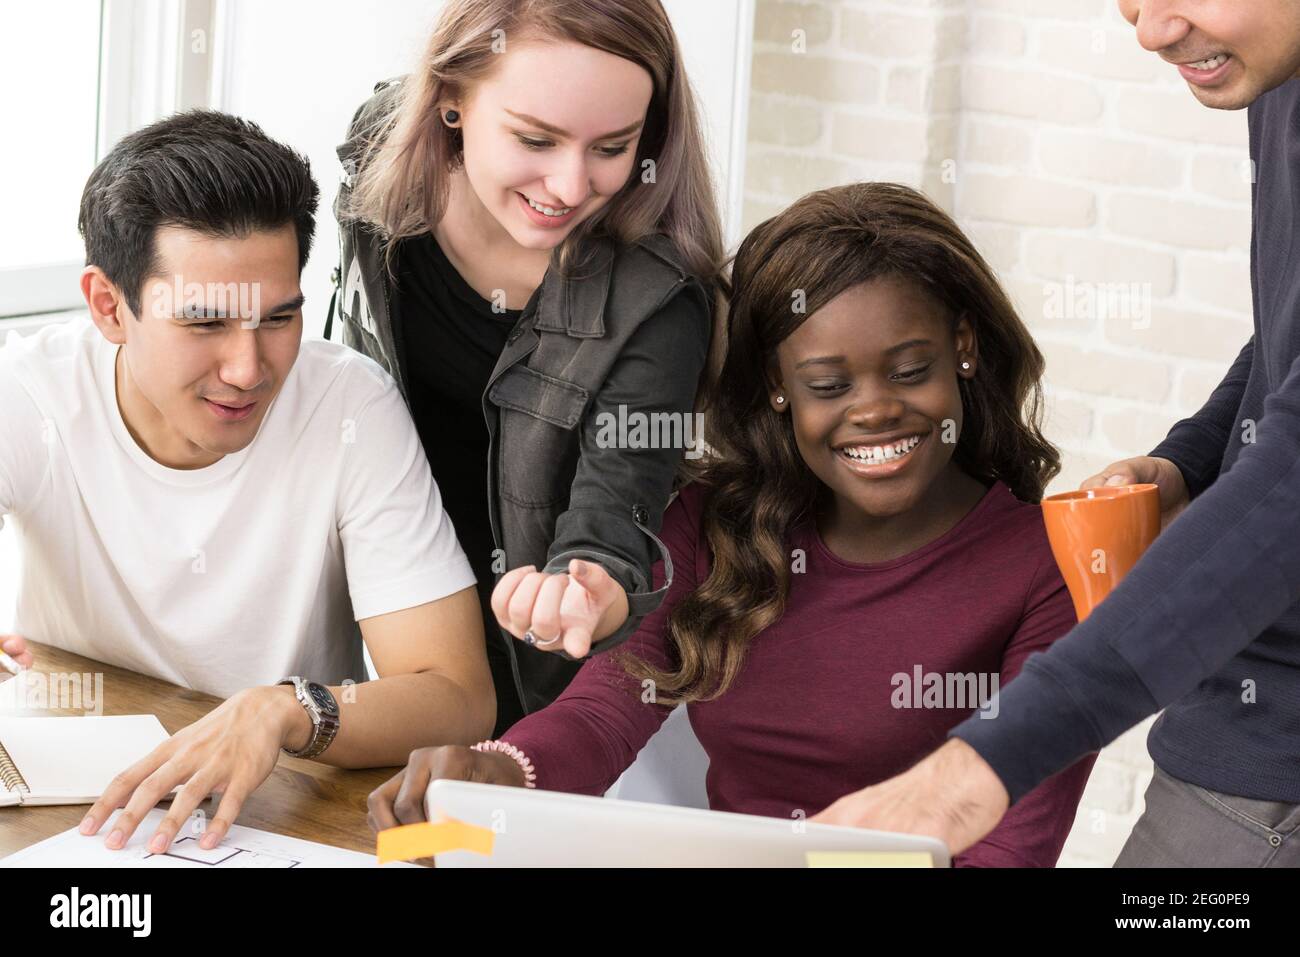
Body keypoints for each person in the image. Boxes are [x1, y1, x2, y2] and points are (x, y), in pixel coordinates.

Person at [367, 183, 1098, 867]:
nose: (874, 409)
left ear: (964, 348)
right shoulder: (716, 522)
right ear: (779, 389)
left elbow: (1010, 852)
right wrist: (494, 772)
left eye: (910, 371)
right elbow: (603, 714)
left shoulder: (1047, 567)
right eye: (828, 385)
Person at [814, 0, 1300, 868]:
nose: (1149, 30)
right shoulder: (1271, 66)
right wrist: (1192, 457)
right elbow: (1285, 330)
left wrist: (973, 770)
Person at [0, 111, 493, 855]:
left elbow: (460, 699)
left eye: (278, 317)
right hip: (72, 813)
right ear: (109, 306)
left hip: (282, 814)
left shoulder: (349, 407)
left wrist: (287, 711)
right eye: (204, 324)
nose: (248, 368)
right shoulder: (31, 394)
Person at [331, 0, 725, 735]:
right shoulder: (375, 156)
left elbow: (617, 506)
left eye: (612, 147)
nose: (571, 187)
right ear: (449, 98)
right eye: (536, 139)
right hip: (375, 622)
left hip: (535, 676)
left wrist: (585, 587)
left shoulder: (658, 296)